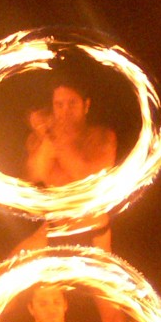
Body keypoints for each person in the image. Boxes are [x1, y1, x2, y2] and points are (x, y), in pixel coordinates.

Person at [15, 77, 118, 253]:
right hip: (55, 228)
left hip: (92, 232)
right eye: (59, 105)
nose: (65, 111)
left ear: (86, 105)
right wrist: (47, 135)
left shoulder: (101, 138)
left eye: (72, 103)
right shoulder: (40, 140)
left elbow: (85, 176)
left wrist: (57, 139)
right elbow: (35, 174)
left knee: (93, 280)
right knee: (11, 266)